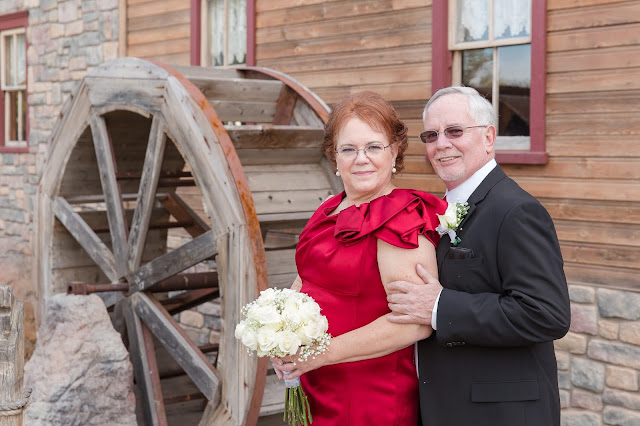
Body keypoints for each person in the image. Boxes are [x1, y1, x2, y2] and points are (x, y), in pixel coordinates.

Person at [385, 86, 571, 426]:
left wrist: (440, 306)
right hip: (447, 406)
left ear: (488, 137)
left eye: (455, 131)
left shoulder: (517, 210)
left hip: (501, 413)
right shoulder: (442, 209)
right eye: (431, 134)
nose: (441, 144)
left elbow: (547, 314)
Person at [272, 91, 449, 425]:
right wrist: (281, 333)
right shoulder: (329, 209)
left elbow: (413, 325)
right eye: (348, 149)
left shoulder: (401, 218)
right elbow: (308, 278)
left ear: (394, 151)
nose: (361, 159)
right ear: (334, 158)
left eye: (373, 147)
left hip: (368, 395)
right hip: (318, 382)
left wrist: (317, 355)